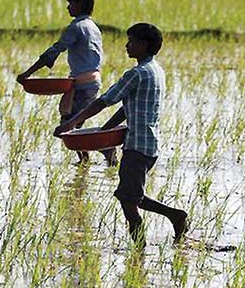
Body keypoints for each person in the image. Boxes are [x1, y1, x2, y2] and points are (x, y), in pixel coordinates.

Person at [54, 23, 188, 245]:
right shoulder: (156, 70)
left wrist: (71, 123)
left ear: (144, 45)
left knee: (128, 199)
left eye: (131, 41)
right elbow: (127, 108)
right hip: (148, 144)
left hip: (136, 146)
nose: (127, 45)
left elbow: (104, 101)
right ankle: (161, 228)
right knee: (131, 195)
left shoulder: (136, 73)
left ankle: (145, 244)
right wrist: (104, 130)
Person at [17, 0, 116, 166]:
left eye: (71, 4)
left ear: (80, 5)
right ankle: (86, 159)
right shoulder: (93, 26)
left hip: (84, 82)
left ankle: (104, 149)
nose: (68, 8)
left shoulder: (76, 27)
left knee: (69, 123)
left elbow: (55, 50)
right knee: (73, 122)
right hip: (90, 80)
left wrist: (28, 73)